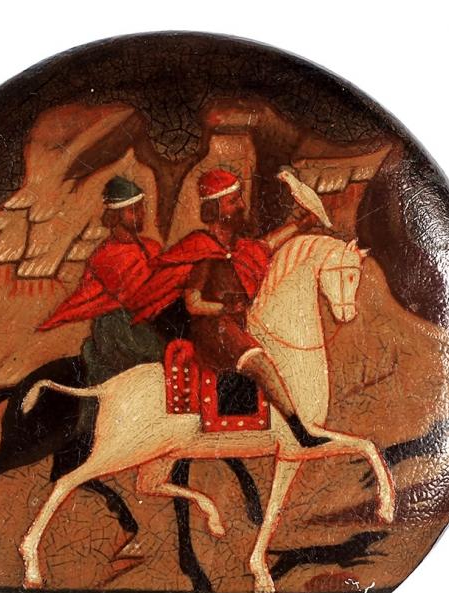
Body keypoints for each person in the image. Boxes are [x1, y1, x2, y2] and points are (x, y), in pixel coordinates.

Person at [133, 168, 329, 447]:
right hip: (214, 331)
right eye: (233, 201)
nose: (241, 206)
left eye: (240, 199)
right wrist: (224, 308)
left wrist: (304, 222)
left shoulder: (239, 248)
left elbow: (268, 243)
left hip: (232, 325)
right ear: (215, 209)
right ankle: (301, 431)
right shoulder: (203, 250)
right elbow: (193, 304)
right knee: (259, 361)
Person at [38, 176, 164, 429]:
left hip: (146, 319)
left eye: (141, 208)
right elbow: (133, 295)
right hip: (117, 326)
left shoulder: (152, 247)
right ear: (115, 216)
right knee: (155, 354)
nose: (141, 214)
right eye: (133, 210)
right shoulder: (106, 255)